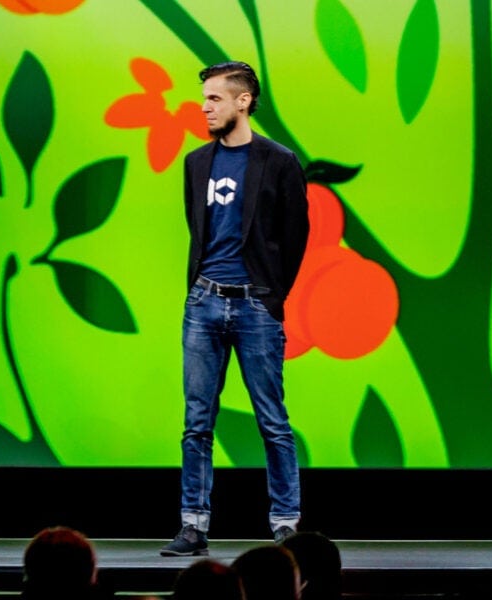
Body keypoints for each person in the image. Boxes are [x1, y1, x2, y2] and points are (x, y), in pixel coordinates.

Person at [162, 60, 310, 557]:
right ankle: (193, 525)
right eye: (204, 99)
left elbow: (295, 237)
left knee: (272, 419)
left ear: (243, 101)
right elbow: (195, 229)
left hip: (256, 307)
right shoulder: (195, 162)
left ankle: (286, 522)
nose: (204, 107)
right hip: (203, 303)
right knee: (197, 422)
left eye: (214, 98)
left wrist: (271, 296)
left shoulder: (280, 161)